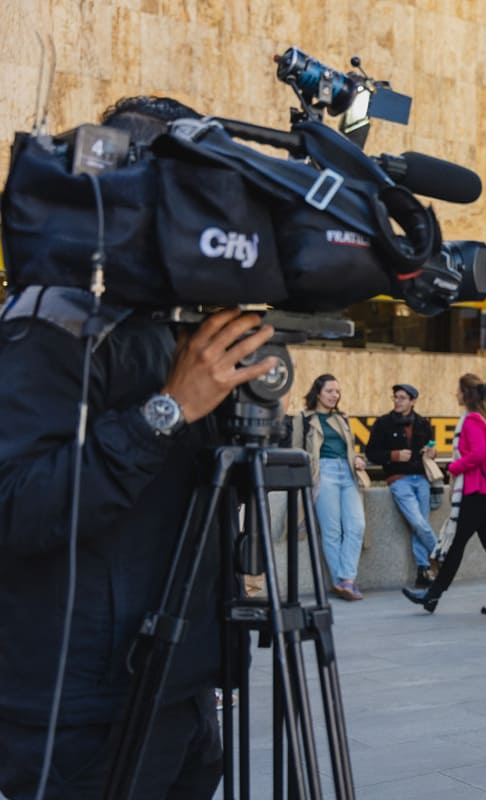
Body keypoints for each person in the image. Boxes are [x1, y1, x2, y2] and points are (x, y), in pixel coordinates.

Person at [0, 96, 282, 799]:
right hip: (79, 708)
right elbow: (17, 511)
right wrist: (170, 409)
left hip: (180, 689)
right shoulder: (48, 318)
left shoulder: (179, 322)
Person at [402, 373, 486, 615]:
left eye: (457, 390)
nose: (455, 393)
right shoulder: (481, 418)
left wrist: (453, 467)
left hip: (477, 492)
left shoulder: (473, 420)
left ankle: (432, 596)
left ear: (466, 394)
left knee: (457, 545)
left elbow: (477, 454)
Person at [296, 374, 368, 601]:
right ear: (318, 393)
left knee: (357, 525)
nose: (334, 395)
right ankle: (345, 583)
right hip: (323, 473)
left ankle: (343, 579)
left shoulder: (343, 419)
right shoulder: (304, 419)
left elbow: (350, 449)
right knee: (332, 531)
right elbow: (296, 450)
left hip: (347, 473)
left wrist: (357, 459)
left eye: (337, 391)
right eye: (329, 391)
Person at [365, 383, 439, 587]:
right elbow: (371, 453)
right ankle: (442, 553)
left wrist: (432, 453)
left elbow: (430, 448)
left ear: (412, 401)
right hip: (399, 479)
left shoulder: (423, 423)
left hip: (422, 478)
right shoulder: (383, 423)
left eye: (402, 398)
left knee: (420, 524)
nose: (397, 401)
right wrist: (394, 456)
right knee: (417, 521)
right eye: (395, 397)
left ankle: (423, 571)